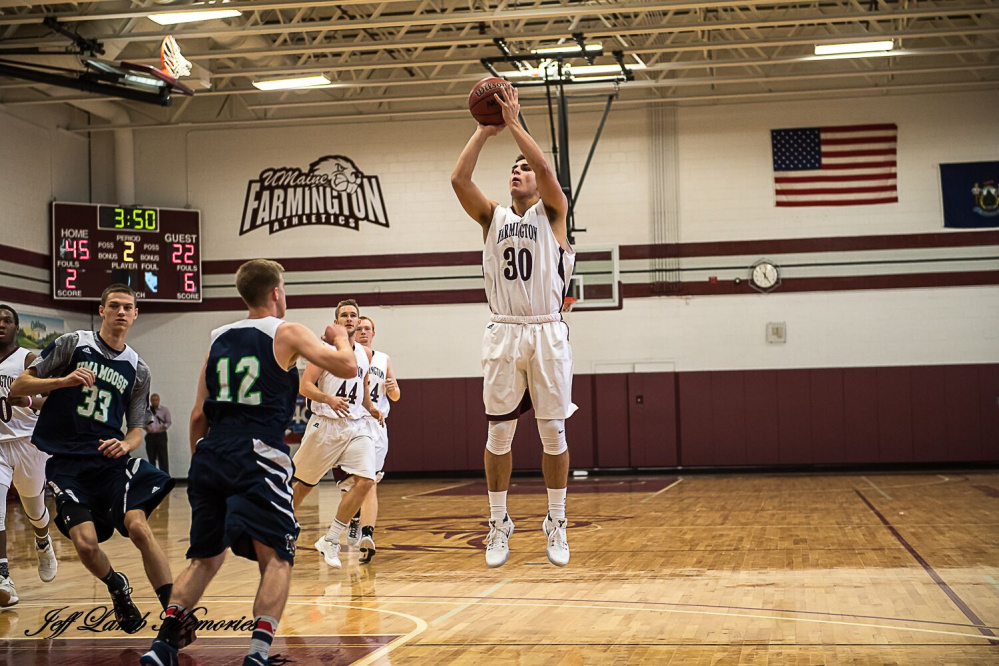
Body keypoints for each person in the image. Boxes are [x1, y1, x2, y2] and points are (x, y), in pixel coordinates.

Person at [141, 259, 357, 666]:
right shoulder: (287, 331)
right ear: (276, 292)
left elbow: (198, 415)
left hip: (210, 454)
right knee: (277, 555)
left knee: (205, 558)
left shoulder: (218, 337)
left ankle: (163, 646)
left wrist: (202, 461)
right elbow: (347, 366)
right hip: (257, 451)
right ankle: (257, 656)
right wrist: (341, 337)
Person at [451, 85, 576, 568]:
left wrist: (514, 122)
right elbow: (459, 179)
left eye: (523, 168)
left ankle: (556, 520)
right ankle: (498, 521)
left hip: (547, 329)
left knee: (553, 434)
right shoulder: (493, 217)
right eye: (513, 169)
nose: (518, 171)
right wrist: (484, 131)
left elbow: (544, 168)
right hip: (504, 329)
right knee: (498, 436)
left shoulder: (554, 213)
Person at [10, 285, 179, 633]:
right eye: (114, 305)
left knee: (138, 527)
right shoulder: (73, 344)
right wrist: (62, 381)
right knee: (86, 545)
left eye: (128, 307)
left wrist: (127, 444)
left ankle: (175, 614)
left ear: (135, 314)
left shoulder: (138, 368)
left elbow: (136, 429)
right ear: (101, 310)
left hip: (109, 462)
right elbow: (19, 388)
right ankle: (117, 586)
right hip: (67, 464)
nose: (121, 312)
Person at [291, 299, 383, 570]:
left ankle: (331, 539)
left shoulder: (365, 354)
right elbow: (305, 387)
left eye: (353, 315)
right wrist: (328, 399)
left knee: (367, 481)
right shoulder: (324, 351)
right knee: (303, 486)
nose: (349, 319)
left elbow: (363, 389)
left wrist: (371, 408)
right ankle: (277, 527)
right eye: (344, 315)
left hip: (355, 426)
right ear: (336, 322)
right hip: (325, 425)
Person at [0, 304, 58, 606]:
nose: (1, 324)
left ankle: (43, 539)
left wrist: (30, 401)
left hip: (29, 443)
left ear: (17, 327)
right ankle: (3, 576)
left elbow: (56, 401)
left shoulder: (29, 360)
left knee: (34, 510)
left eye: (7, 320)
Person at [343, 315, 400, 564]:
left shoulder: (383, 359)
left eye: (368, 329)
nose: (363, 332)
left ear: (373, 333)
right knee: (350, 484)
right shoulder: (346, 357)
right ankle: (354, 516)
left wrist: (394, 388)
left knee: (370, 482)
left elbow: (395, 396)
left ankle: (367, 535)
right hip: (351, 423)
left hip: (376, 425)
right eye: (360, 328)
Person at [145, 393, 172, 473]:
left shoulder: (164, 410)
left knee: (163, 458)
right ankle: (153, 476)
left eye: (156, 400)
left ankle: (165, 476)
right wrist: (147, 427)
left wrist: (163, 427)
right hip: (151, 436)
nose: (155, 402)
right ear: (150, 401)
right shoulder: (147, 411)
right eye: (153, 400)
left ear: (159, 400)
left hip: (161, 435)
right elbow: (143, 422)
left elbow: (168, 422)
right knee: (151, 458)